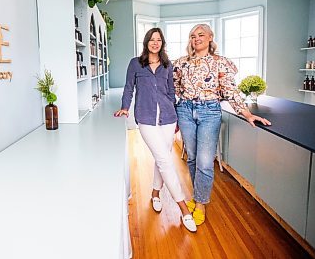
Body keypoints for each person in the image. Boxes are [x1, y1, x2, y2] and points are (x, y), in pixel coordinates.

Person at [173, 23, 271, 226]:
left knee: (205, 161)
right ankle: (197, 195)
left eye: (201, 34)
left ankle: (200, 204)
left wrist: (247, 114)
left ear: (210, 37)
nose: (196, 38)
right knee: (192, 158)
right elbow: (172, 90)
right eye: (192, 35)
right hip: (184, 110)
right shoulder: (181, 63)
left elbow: (231, 91)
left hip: (209, 112)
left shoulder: (220, 63)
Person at [114, 27, 197, 233]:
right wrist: (125, 107)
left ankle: (155, 194)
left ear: (162, 43)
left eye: (158, 40)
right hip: (146, 118)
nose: (155, 43)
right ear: (146, 42)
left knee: (163, 159)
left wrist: (175, 115)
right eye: (152, 39)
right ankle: (184, 209)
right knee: (164, 160)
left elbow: (171, 92)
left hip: (168, 119)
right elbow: (128, 88)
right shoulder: (135, 63)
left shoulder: (167, 65)